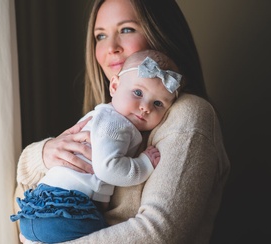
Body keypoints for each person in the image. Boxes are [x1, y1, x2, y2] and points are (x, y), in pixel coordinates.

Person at [14, 0, 230, 243]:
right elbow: (21, 209)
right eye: (100, 35)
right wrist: (41, 154)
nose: (111, 47)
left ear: (159, 31)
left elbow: (158, 233)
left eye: (126, 29)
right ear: (115, 86)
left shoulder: (188, 115)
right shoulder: (106, 118)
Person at [11, 49, 182, 243]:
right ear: (115, 87)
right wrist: (144, 164)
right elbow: (107, 168)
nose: (146, 107)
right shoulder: (115, 124)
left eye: (158, 103)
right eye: (137, 92)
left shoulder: (103, 117)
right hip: (66, 210)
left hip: (41, 208)